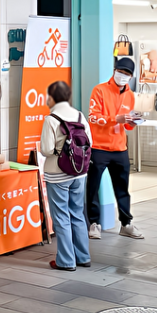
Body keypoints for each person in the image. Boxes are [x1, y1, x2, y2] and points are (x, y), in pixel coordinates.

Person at [86, 57, 143, 240]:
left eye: (127, 74)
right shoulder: (99, 90)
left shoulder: (131, 95)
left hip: (120, 149)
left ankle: (126, 224)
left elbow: (126, 126)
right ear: (115, 70)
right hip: (98, 147)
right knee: (93, 187)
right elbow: (93, 117)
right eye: (121, 72)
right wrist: (115, 119)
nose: (123, 76)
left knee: (123, 189)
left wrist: (132, 122)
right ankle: (94, 223)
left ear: (131, 76)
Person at [40, 81, 92, 272]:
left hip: (57, 174)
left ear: (52, 97)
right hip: (79, 172)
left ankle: (66, 261)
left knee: (61, 216)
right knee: (77, 213)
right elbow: (89, 142)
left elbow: (45, 150)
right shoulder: (79, 115)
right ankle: (83, 256)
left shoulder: (51, 119)